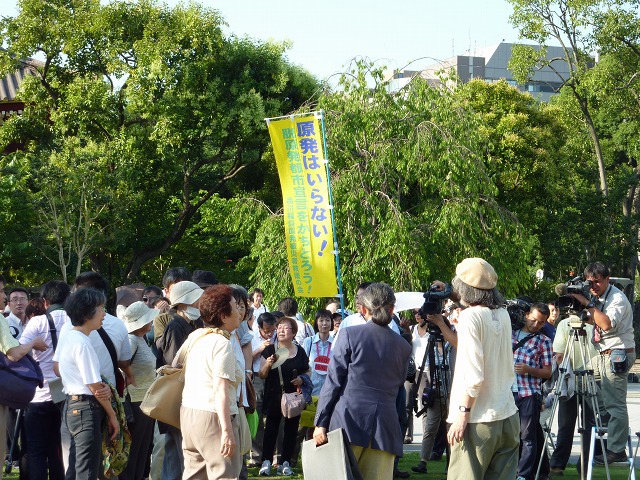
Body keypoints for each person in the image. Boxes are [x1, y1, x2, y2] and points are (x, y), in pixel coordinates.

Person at [313, 283, 411, 480]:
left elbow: (333, 381)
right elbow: (400, 383)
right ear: (392, 309)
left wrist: (320, 422)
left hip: (349, 420)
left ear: (364, 309)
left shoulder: (350, 334)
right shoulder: (403, 345)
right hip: (385, 427)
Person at [446, 257, 519, 479]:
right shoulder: (503, 314)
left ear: (463, 288)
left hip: (478, 417)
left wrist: (462, 414)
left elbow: (474, 375)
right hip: (506, 413)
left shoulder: (470, 317)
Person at [570, 261, 635, 464]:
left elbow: (606, 324)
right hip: (602, 354)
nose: (593, 286)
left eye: (597, 281)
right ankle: (610, 420)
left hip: (617, 354)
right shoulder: (598, 297)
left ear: (607, 279)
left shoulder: (617, 298)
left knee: (616, 404)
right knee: (579, 380)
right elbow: (594, 320)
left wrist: (586, 303)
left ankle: (617, 450)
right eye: (590, 282)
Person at [179, 284, 244, 479]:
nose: (240, 311)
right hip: (214, 416)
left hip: (189, 414)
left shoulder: (196, 336)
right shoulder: (222, 343)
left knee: (194, 475)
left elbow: (175, 366)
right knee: (224, 474)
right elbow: (221, 390)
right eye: (235, 306)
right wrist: (227, 431)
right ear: (223, 316)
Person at [53, 288, 119, 480]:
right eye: (101, 309)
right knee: (86, 471)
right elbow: (94, 387)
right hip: (85, 409)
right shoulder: (82, 343)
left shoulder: (70, 337)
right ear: (86, 312)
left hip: (72, 406)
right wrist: (113, 415)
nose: (104, 314)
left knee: (75, 469)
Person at [19, 280, 71, 480]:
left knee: (36, 451)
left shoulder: (37, 322)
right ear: (68, 299)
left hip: (39, 395)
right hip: (66, 395)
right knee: (59, 449)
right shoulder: (75, 320)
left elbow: (19, 352)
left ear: (45, 301)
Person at [0, 275, 48, 480]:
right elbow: (14, 354)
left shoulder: (31, 321)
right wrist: (32, 343)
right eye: (2, 292)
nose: (4, 297)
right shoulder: (2, 321)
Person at [157, 280, 204, 480]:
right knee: (180, 454)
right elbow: (174, 366)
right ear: (183, 304)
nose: (200, 304)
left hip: (186, 397)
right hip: (179, 398)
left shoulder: (192, 324)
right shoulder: (175, 326)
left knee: (175, 456)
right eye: (196, 300)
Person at [258, 316, 310, 476]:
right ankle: (266, 462)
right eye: (279, 327)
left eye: (285, 328)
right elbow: (261, 374)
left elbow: (308, 370)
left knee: (291, 430)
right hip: (274, 395)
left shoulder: (300, 351)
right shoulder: (270, 350)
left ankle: (285, 462)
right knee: (271, 430)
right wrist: (268, 364)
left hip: (293, 397)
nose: (280, 330)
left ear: (293, 333)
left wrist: (302, 379)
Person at [410, 307, 458, 475]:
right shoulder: (429, 345)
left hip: (452, 392)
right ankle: (423, 461)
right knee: (430, 428)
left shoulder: (453, 344)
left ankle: (451, 464)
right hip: (436, 392)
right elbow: (425, 366)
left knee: (451, 428)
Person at [548, 314, 598, 474]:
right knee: (588, 425)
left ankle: (559, 464)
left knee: (567, 424)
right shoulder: (594, 321)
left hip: (575, 379)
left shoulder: (566, 324)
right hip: (590, 378)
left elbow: (559, 355)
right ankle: (584, 466)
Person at [512, 303, 553, 480]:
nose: (536, 325)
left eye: (541, 323)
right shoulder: (511, 334)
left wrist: (529, 369)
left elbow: (548, 372)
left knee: (528, 436)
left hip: (529, 392)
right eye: (534, 320)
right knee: (510, 435)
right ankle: (511, 470)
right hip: (508, 391)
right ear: (527, 315)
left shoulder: (544, 341)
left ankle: (524, 474)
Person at [120, 301, 159, 480]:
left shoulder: (140, 339)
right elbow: (122, 365)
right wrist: (130, 375)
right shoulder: (131, 340)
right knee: (135, 447)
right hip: (135, 400)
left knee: (144, 446)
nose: (151, 322)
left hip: (145, 399)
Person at [249, 312, 277, 467]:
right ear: (259, 328)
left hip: (274, 378)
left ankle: (274, 456)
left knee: (274, 416)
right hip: (257, 379)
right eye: (267, 331)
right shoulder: (251, 338)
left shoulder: (277, 337)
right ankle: (256, 456)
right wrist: (260, 349)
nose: (270, 334)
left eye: (272, 330)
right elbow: (247, 358)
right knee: (257, 416)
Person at [302, 310, 334, 396]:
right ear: (316, 322)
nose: (324, 323)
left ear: (331, 323)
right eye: (321, 320)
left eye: (327, 320)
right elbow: (302, 364)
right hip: (310, 390)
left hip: (329, 392)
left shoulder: (336, 343)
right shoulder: (309, 342)